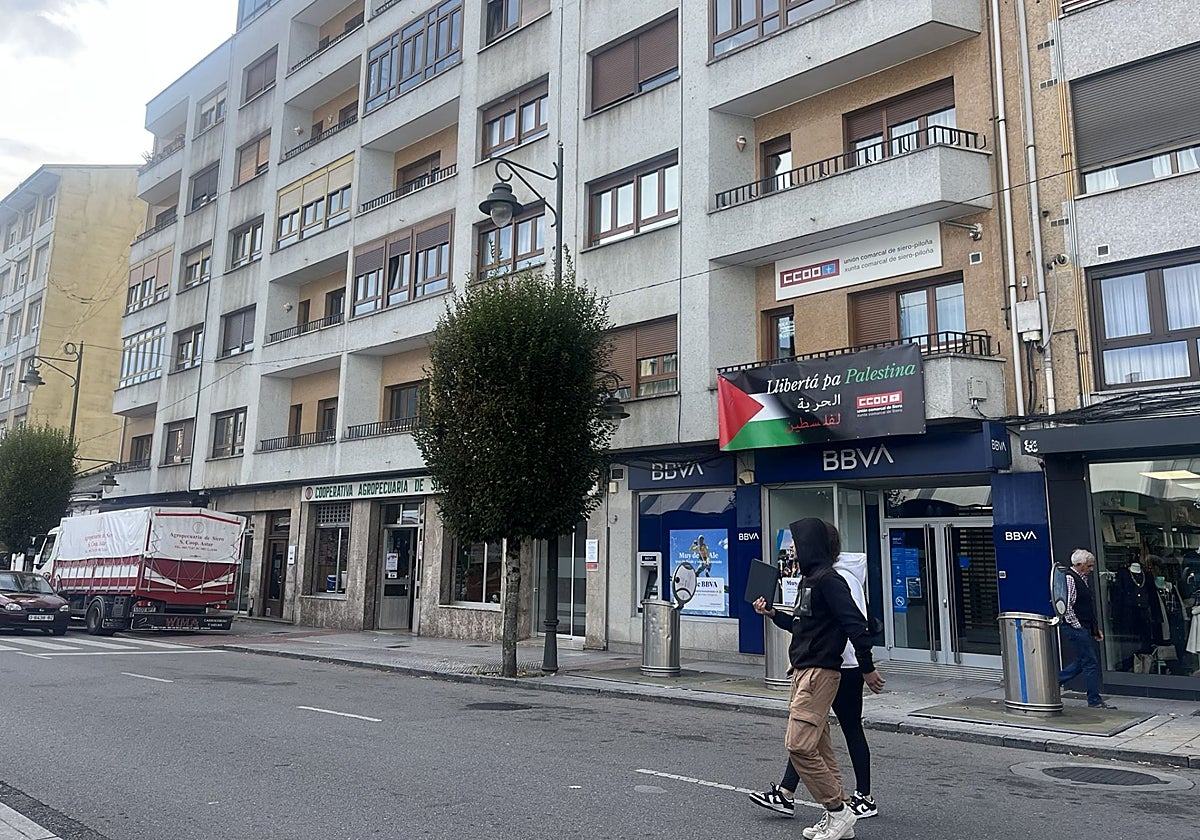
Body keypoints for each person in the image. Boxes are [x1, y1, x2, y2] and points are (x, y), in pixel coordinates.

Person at [751, 518, 885, 840]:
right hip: (803, 672)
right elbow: (801, 626)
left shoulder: (830, 581)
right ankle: (837, 816)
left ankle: (839, 811)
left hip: (820, 675)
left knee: (798, 745)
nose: (792, 549)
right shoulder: (809, 581)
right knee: (820, 749)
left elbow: (857, 625)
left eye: (796, 543)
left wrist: (866, 668)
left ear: (812, 544)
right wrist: (773, 615)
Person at [1058, 548, 1115, 709]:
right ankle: (1094, 700)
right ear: (1078, 564)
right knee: (1090, 662)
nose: (1091, 569)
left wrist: (1094, 629)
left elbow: (1087, 606)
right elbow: (1067, 606)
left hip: (1082, 626)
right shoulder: (1070, 578)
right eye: (1089, 566)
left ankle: (1054, 682)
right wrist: (1078, 627)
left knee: (1082, 660)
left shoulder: (1082, 578)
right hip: (1075, 626)